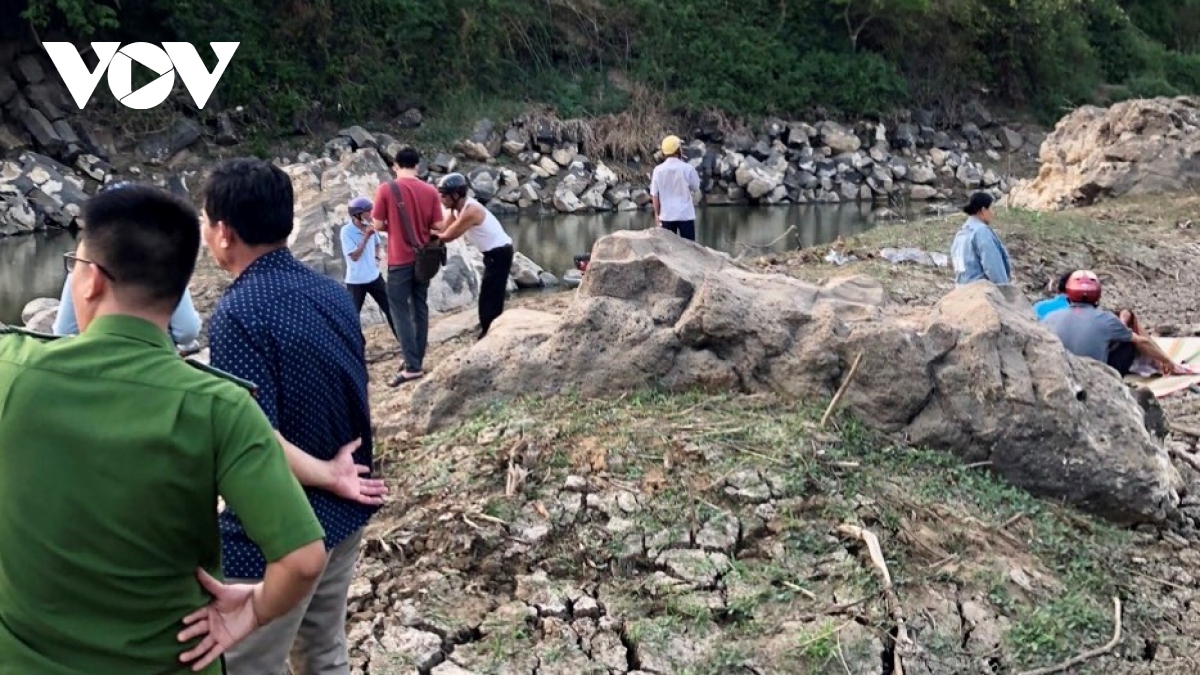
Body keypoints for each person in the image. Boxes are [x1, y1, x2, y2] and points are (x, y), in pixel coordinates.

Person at [0, 183, 328, 674]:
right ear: (176, 294)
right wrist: (254, 610)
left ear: (89, 280)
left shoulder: (11, 369)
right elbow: (302, 560)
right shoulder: (221, 407)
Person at [200, 158, 388, 675]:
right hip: (345, 512)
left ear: (223, 232)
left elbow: (255, 437)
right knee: (324, 652)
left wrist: (326, 474)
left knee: (245, 665)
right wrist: (336, 475)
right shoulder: (330, 292)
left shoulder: (239, 311)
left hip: (278, 530)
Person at [371, 146, 443, 386]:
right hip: (424, 259)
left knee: (399, 310)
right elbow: (438, 226)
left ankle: (412, 366)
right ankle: (416, 358)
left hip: (399, 259)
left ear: (395, 165)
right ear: (418, 166)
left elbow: (378, 224)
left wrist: (397, 227)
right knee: (420, 307)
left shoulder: (386, 189)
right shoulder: (430, 190)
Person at [1042, 270, 1187, 376]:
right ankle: (1155, 367)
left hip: (1060, 373)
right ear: (1098, 294)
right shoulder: (1106, 318)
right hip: (1096, 377)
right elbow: (1143, 342)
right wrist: (1168, 361)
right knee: (1128, 342)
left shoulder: (1049, 318)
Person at [432, 172, 515, 338]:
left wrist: (429, 236)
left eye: (444, 195)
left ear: (456, 195)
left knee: (491, 293)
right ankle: (488, 326)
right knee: (489, 292)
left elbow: (448, 236)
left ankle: (489, 330)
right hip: (491, 253)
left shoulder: (471, 211)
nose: (441, 199)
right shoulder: (457, 210)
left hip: (500, 252)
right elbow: (442, 229)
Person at [340, 196, 395, 337]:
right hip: (356, 282)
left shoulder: (371, 226)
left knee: (392, 309)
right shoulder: (346, 232)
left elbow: (377, 244)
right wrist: (366, 237)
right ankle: (357, 352)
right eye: (368, 211)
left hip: (374, 277)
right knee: (352, 319)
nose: (372, 214)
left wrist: (376, 258)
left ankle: (405, 343)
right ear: (357, 214)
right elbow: (354, 256)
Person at [950, 191, 1012, 285]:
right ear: (983, 210)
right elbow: (993, 266)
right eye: (991, 209)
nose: (993, 213)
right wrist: (1004, 289)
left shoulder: (961, 233)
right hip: (979, 290)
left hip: (962, 288)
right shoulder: (981, 232)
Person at [650, 134, 701, 241]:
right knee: (689, 249)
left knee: (668, 251)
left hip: (666, 215)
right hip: (685, 215)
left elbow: (654, 195)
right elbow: (696, 187)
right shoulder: (687, 168)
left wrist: (656, 214)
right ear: (678, 150)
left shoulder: (658, 170)